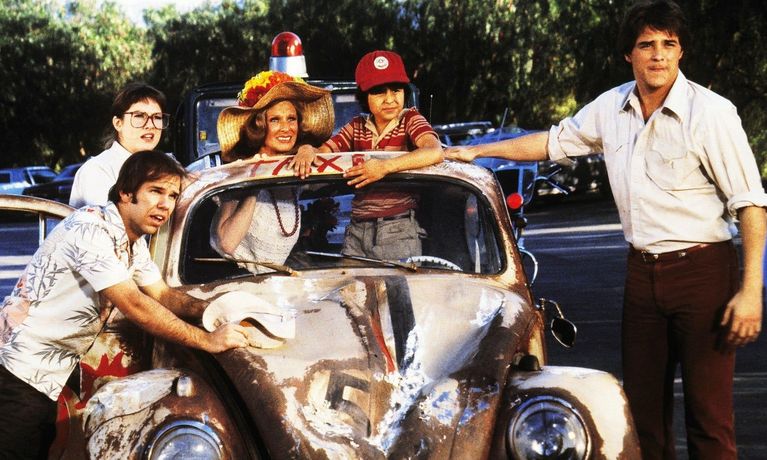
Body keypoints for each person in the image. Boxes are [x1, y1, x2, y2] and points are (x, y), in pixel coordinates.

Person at [447, 1, 766, 458]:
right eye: (647, 44)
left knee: (709, 420)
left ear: (681, 52)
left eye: (669, 44)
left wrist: (751, 291)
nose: (658, 54)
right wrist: (478, 152)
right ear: (628, 54)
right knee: (641, 418)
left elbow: (751, 204)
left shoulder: (712, 113)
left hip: (704, 273)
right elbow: (551, 142)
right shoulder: (611, 107)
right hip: (642, 276)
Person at [0, 151, 250, 459]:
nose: (165, 204)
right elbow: (135, 304)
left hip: (44, 379)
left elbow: (161, 294)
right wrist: (206, 341)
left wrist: (214, 310)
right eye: (156, 191)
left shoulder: (132, 242)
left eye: (173, 195)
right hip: (16, 373)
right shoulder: (90, 229)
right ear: (125, 193)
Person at [300, 50, 443, 260]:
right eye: (379, 92)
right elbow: (323, 153)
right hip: (357, 228)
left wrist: (384, 167)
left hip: (398, 229)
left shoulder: (410, 119)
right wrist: (307, 149)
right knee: (347, 282)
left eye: (396, 90)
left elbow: (435, 151)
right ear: (364, 97)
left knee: (395, 283)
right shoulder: (357, 126)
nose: (390, 99)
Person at [211, 70, 334, 273]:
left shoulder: (292, 167)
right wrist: (254, 183)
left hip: (277, 282)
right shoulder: (241, 170)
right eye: (275, 120)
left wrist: (309, 149)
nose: (286, 128)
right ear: (259, 125)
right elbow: (226, 244)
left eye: (291, 119)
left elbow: (340, 174)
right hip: (236, 280)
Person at [69, 82, 169, 208]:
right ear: (118, 123)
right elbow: (108, 218)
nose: (150, 125)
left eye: (157, 117)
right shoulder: (97, 171)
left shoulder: (166, 167)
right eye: (139, 116)